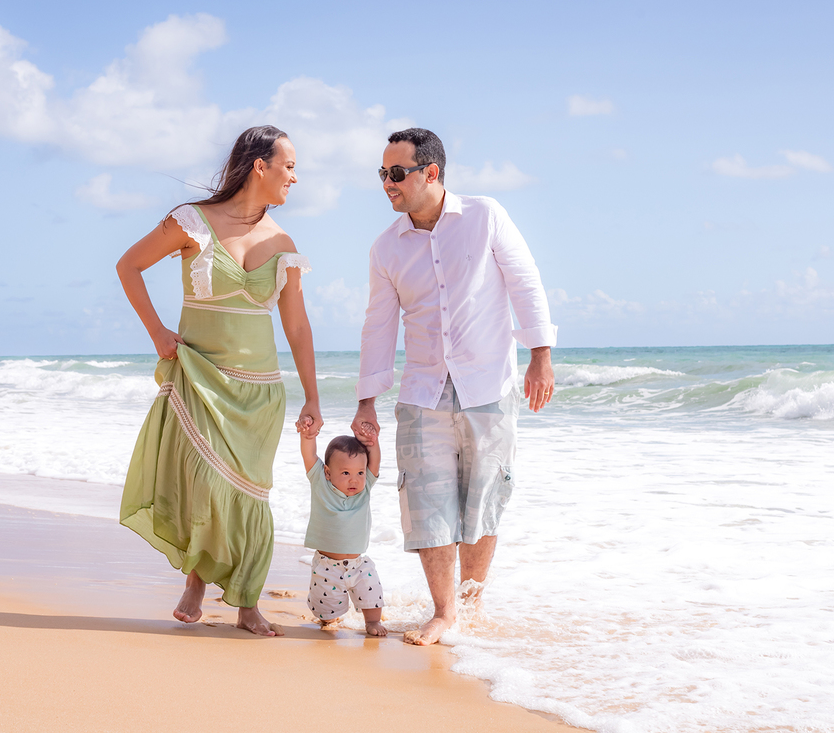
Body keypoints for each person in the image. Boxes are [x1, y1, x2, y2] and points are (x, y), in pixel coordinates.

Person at [352, 127, 556, 646]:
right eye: (382, 174)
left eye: (396, 173)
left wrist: (541, 355)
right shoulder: (385, 248)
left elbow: (525, 280)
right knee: (427, 503)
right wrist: (366, 401)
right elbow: (379, 326)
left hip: (489, 385)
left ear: (431, 172)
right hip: (422, 391)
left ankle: (470, 606)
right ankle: (444, 613)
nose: (387, 184)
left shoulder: (486, 216)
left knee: (484, 498)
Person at [117, 125, 322, 637]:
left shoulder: (283, 243)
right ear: (260, 166)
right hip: (202, 379)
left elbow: (297, 327)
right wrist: (157, 331)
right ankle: (197, 579)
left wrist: (312, 397)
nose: (295, 177)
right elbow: (129, 266)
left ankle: (248, 602)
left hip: (260, 392)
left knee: (251, 497)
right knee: (207, 488)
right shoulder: (192, 222)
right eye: (289, 166)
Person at [299, 424, 386, 637]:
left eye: (360, 472)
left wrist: (372, 440)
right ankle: (328, 618)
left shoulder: (365, 488)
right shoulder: (320, 482)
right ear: (328, 472)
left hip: (359, 564)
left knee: (372, 593)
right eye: (346, 473)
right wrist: (308, 435)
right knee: (326, 610)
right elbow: (309, 455)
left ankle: (372, 622)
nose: (354, 479)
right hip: (327, 566)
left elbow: (375, 460)